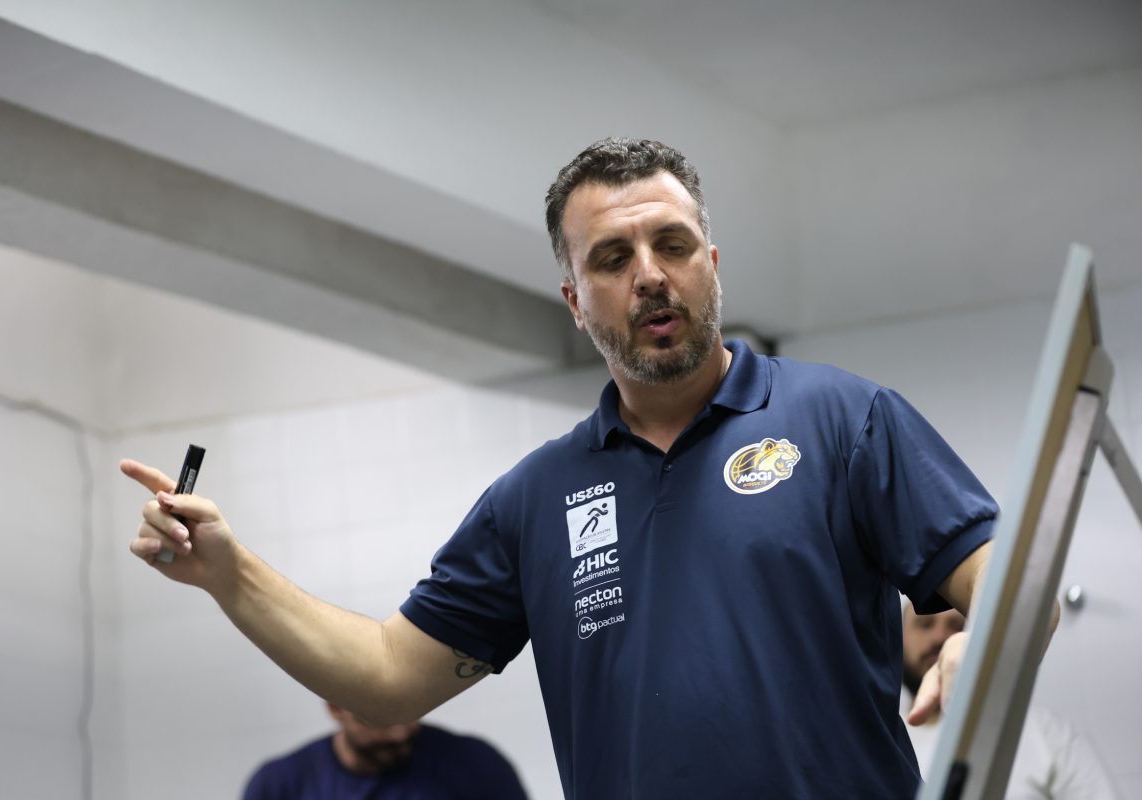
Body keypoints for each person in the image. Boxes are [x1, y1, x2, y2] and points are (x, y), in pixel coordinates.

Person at [123, 137, 1048, 798]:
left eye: (672, 245)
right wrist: (229, 574)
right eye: (613, 257)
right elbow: (386, 675)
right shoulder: (535, 500)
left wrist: (982, 642)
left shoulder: (844, 420)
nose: (650, 274)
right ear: (575, 299)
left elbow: (1018, 583)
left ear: (711, 265)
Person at [901, 604, 1117, 799]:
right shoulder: (886, 742)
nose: (940, 637)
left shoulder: (1044, 730)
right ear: (897, 640)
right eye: (924, 624)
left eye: (957, 625)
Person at [242, 701, 528, 799]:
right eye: (378, 720)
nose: (400, 733)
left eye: (410, 713)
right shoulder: (279, 786)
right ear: (335, 708)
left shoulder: (475, 764)